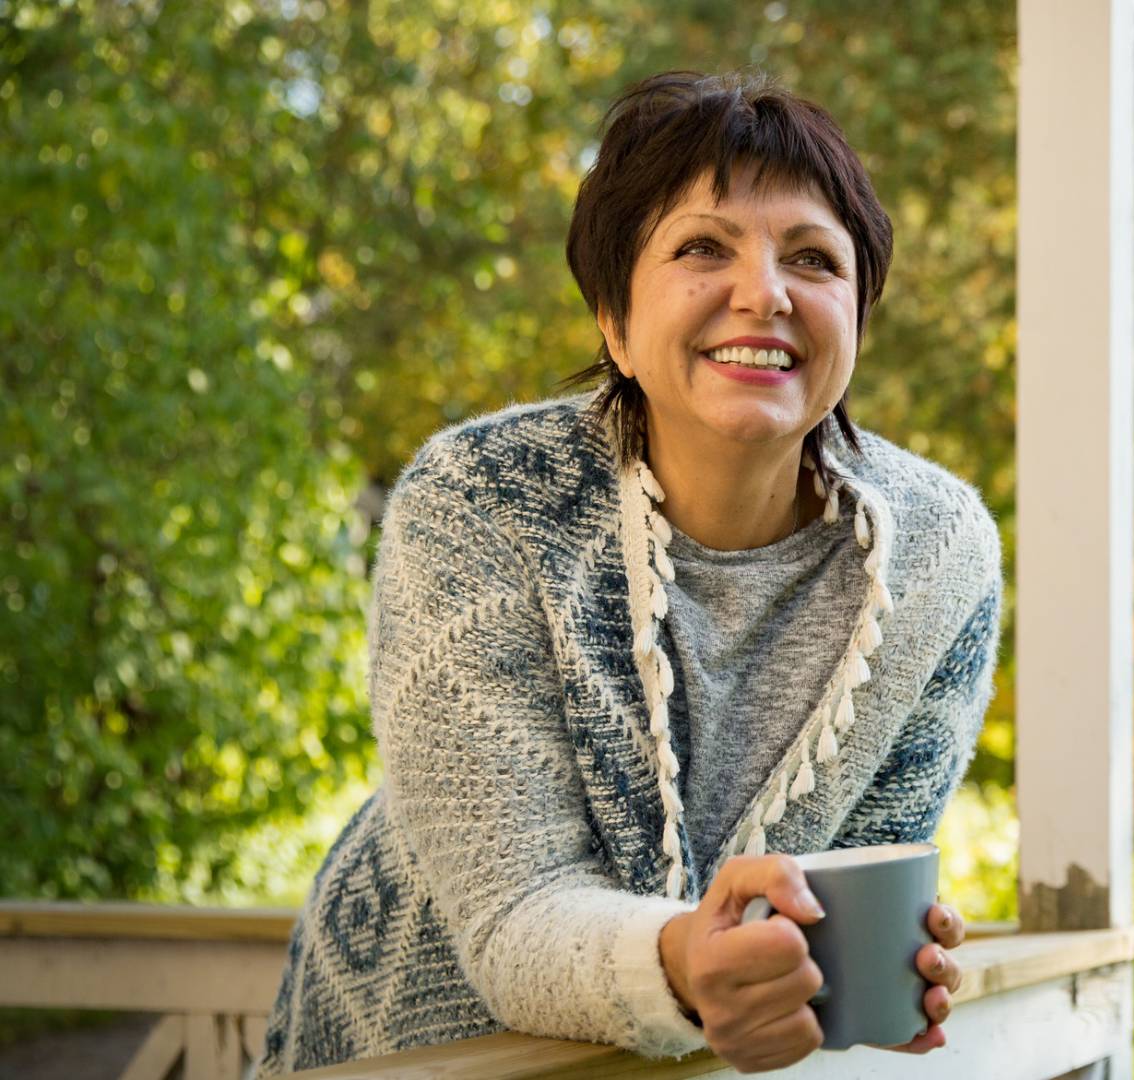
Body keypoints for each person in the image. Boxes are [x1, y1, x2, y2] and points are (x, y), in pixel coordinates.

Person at [258, 70, 1002, 1075]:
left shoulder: (938, 550)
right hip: (422, 1048)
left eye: (813, 259)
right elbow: (514, 911)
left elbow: (863, 879)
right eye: (702, 247)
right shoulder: (478, 497)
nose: (765, 293)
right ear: (613, 320)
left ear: (857, 320)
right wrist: (684, 958)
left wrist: (871, 970)